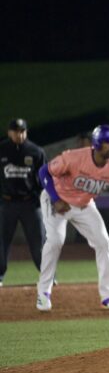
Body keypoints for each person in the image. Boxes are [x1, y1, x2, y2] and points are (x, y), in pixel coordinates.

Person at [36, 125, 109, 311]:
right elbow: (44, 171)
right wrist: (56, 199)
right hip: (57, 199)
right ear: (97, 143)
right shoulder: (75, 158)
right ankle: (43, 292)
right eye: (108, 142)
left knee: (103, 242)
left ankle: (108, 295)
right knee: (56, 240)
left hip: (84, 204)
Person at [0, 119, 47, 287]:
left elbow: (44, 178)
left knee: (39, 241)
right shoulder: (2, 149)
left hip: (30, 204)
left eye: (22, 131)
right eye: (15, 131)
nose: (19, 134)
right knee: (1, 242)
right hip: (6, 203)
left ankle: (48, 275)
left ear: (26, 132)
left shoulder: (36, 151)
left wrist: (40, 197)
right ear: (9, 132)